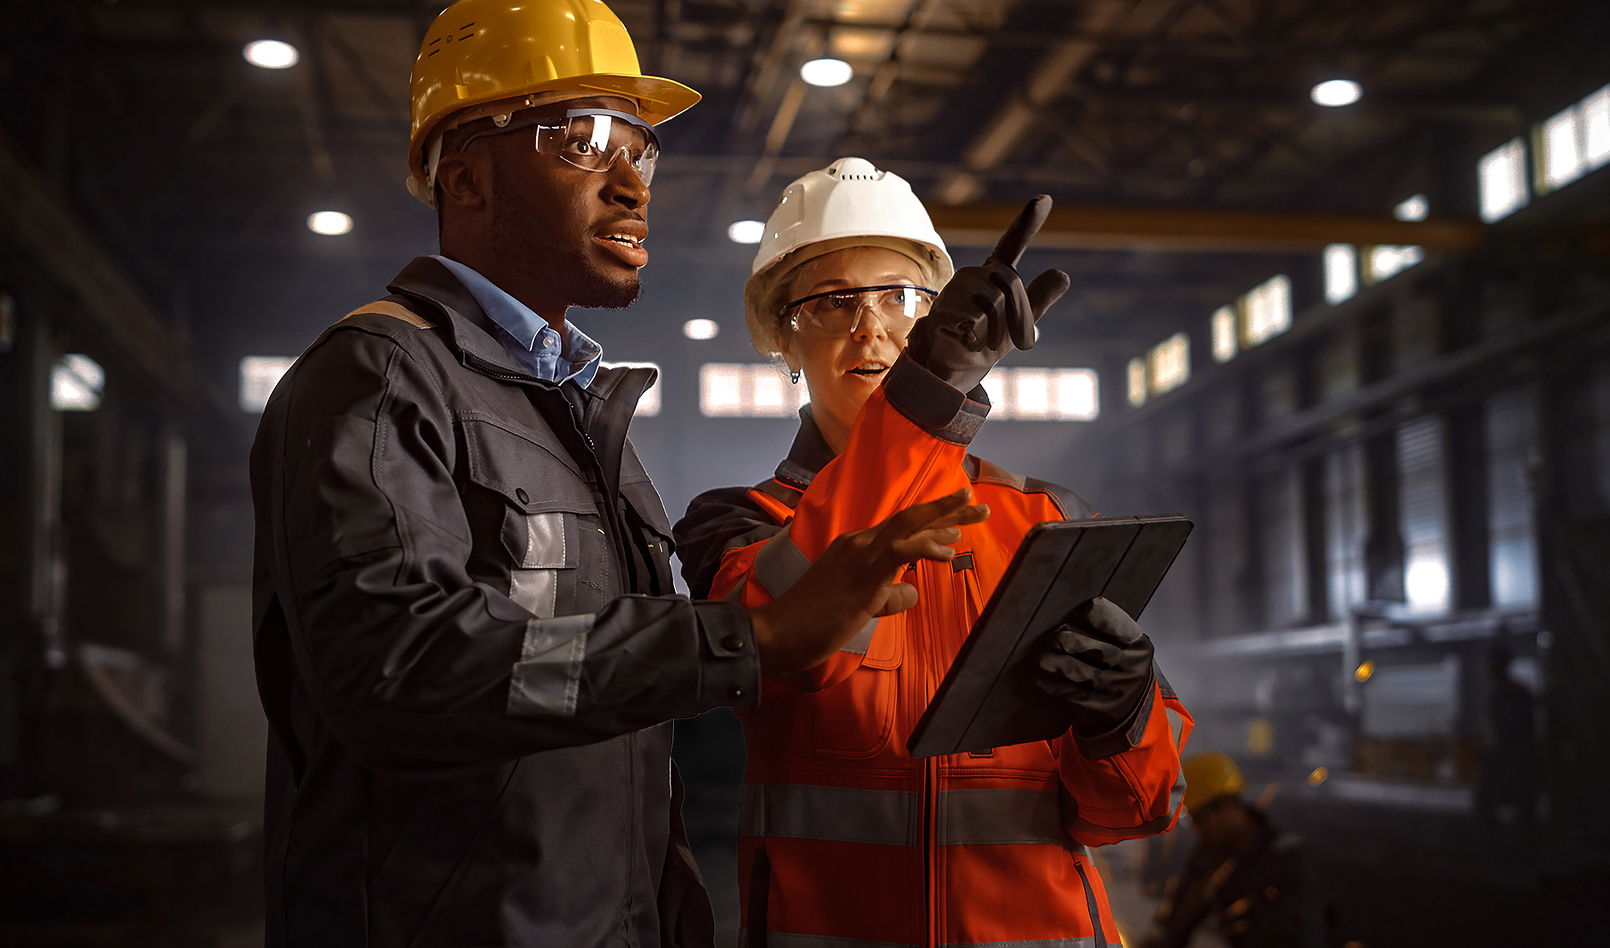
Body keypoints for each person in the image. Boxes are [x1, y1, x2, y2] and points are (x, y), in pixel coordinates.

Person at [249, 5, 984, 947]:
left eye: (640, 149)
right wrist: (746, 638)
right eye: (585, 142)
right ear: (464, 176)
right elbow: (398, 668)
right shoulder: (384, 375)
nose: (633, 184)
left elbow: (601, 709)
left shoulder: (575, 415)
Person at [674, 157, 1193, 948]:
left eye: (901, 297)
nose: (870, 327)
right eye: (832, 301)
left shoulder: (1047, 520)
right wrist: (928, 391)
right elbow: (785, 646)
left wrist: (1122, 715)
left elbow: (1134, 811)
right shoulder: (741, 526)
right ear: (782, 337)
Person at [1142, 751, 1313, 948]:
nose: (1198, 831)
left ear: (1229, 805)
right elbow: (1177, 921)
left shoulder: (1286, 860)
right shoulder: (1210, 856)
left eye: (1201, 820)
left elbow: (1301, 937)